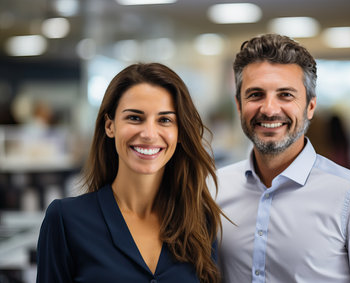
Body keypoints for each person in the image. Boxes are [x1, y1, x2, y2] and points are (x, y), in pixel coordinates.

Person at [213, 34, 350, 282]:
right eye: (255, 95)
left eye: (285, 95)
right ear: (239, 106)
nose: (270, 109)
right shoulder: (212, 190)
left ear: (310, 107)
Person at [36, 63, 223, 282]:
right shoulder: (65, 220)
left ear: (179, 132)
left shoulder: (199, 222)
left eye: (165, 120)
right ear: (110, 126)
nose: (149, 134)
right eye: (135, 118)